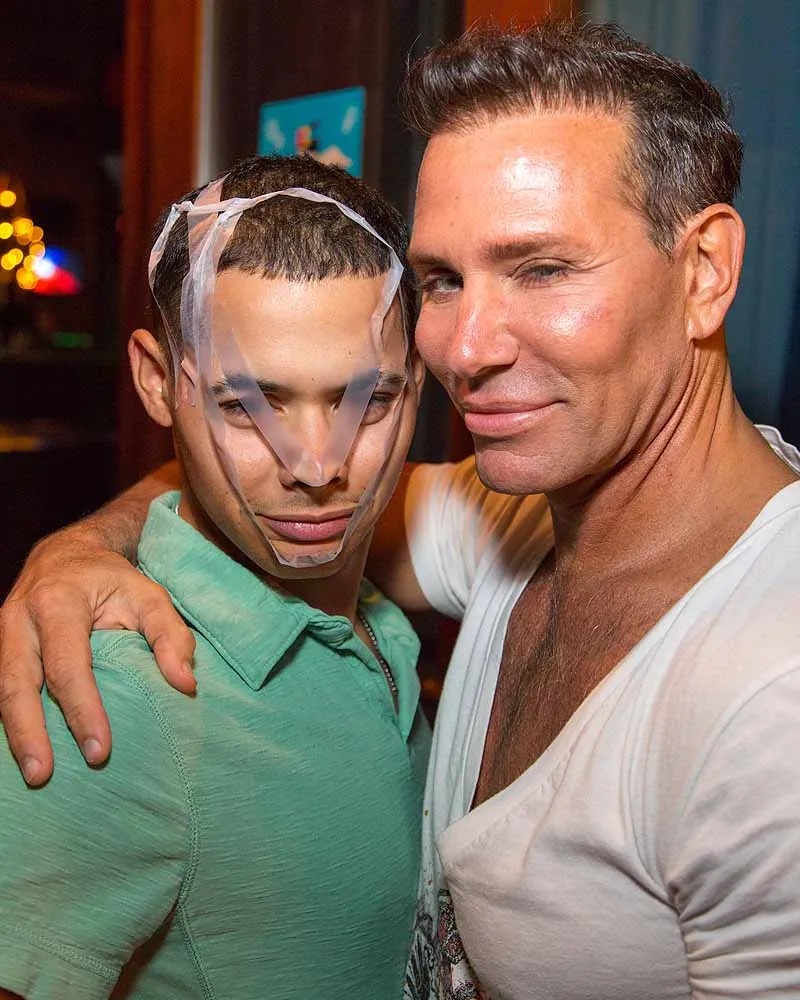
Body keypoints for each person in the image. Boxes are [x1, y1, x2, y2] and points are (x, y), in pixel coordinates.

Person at [3, 17, 800, 1000]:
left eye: (542, 269)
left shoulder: (771, 693)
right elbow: (270, 488)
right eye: (443, 280)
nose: (463, 348)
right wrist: (78, 551)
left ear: (704, 270)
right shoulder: (509, 518)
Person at [0, 153, 431, 999]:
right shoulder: (119, 692)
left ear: (419, 381)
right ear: (158, 384)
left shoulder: (378, 616)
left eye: (369, 401)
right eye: (246, 406)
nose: (316, 467)